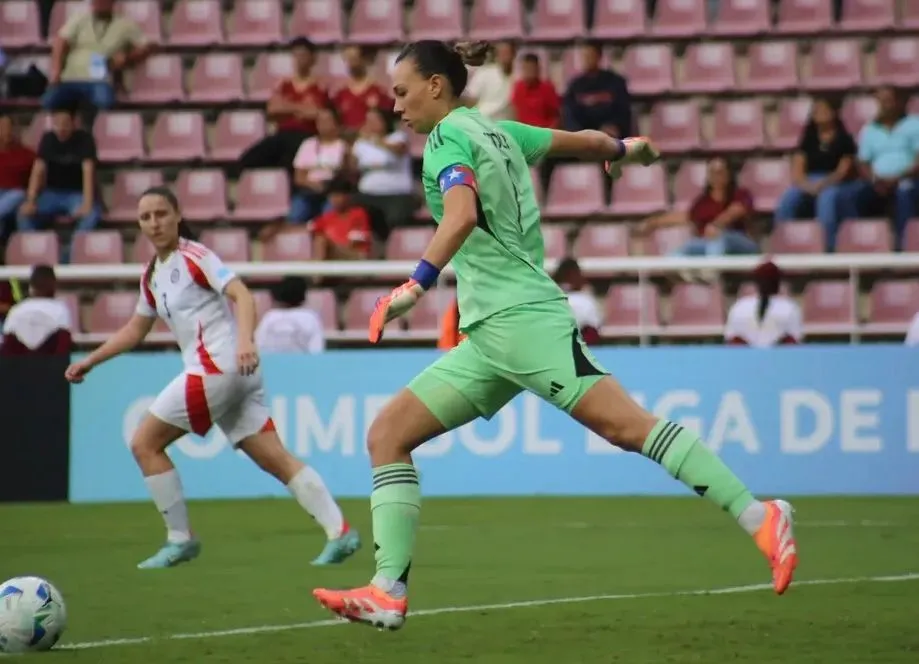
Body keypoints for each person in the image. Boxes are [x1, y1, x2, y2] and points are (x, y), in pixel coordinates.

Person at [311, 39, 798, 630]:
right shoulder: (502, 132)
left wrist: (413, 286)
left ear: (436, 86)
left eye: (402, 91)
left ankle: (760, 515)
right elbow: (587, 143)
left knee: (628, 427)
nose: (395, 105)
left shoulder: (446, 141)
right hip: (490, 338)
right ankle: (388, 590)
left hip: (523, 322)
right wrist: (628, 149)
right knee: (388, 434)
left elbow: (461, 215)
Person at [64, 186, 360, 569]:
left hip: (216, 368)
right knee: (275, 458)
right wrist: (92, 360)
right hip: (233, 375)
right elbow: (135, 330)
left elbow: (242, 294)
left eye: (161, 214)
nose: (154, 223)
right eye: (145, 217)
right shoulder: (152, 276)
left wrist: (246, 341)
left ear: (177, 215)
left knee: (144, 444)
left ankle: (180, 538)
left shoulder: (195, 256)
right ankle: (341, 532)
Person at [773, 96, 860, 252]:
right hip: (811, 180)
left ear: (834, 113)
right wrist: (808, 186)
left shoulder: (844, 140)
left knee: (827, 198)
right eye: (816, 111)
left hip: (836, 182)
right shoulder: (808, 139)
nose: (820, 113)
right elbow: (798, 172)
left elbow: (843, 171)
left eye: (824, 110)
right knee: (789, 197)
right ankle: (782, 243)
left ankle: (827, 246)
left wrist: (823, 184)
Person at [17, 105, 102, 262]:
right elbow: (38, 170)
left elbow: (88, 171)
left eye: (65, 123)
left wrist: (88, 203)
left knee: (92, 215)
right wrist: (31, 201)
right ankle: (41, 254)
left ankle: (68, 255)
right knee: (23, 215)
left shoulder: (85, 140)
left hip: (77, 195)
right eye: (57, 123)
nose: (61, 127)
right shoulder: (47, 139)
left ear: (74, 122)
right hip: (51, 193)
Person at [239, 37, 329, 174]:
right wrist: (299, 107)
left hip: (306, 136)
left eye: (303, 55)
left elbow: (316, 113)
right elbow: (272, 110)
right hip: (283, 134)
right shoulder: (283, 84)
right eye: (296, 55)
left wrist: (286, 107)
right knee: (249, 159)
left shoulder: (320, 86)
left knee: (290, 163)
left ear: (312, 58)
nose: (299, 59)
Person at [637, 158, 759, 257]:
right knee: (682, 251)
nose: (716, 176)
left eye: (720, 172)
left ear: (728, 174)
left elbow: (737, 210)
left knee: (718, 239)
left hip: (739, 241)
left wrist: (716, 225)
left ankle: (712, 275)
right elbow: (687, 217)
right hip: (708, 243)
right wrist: (653, 223)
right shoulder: (703, 202)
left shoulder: (741, 194)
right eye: (712, 172)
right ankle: (692, 276)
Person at [44, 0, 152, 112]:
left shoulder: (125, 24)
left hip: (99, 78)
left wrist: (127, 57)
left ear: (112, 3)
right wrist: (56, 69)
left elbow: (146, 47)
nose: (99, 4)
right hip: (71, 78)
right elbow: (60, 42)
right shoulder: (79, 19)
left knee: (105, 102)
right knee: (49, 102)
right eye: (96, 2)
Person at [854, 86, 919, 251]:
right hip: (877, 181)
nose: (885, 105)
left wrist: (898, 177)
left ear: (899, 102)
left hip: (908, 178)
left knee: (905, 191)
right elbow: (863, 162)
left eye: (889, 100)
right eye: (882, 101)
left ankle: (904, 245)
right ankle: (857, 246)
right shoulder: (869, 129)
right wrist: (875, 180)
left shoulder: (914, 124)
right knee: (852, 194)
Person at [350, 107, 416, 235]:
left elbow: (399, 151)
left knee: (396, 220)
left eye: (375, 120)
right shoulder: (361, 142)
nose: (371, 124)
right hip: (368, 194)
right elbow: (352, 166)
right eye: (368, 121)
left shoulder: (398, 137)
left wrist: (375, 140)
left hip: (396, 194)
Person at [289, 108, 348, 224]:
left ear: (336, 123)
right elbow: (299, 177)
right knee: (295, 213)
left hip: (333, 190)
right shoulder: (308, 144)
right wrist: (313, 185)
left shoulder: (343, 145)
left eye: (327, 121)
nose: (322, 124)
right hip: (309, 189)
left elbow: (346, 173)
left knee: (330, 213)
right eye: (320, 121)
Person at [724, 261, 803, 347]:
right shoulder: (740, 306)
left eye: (770, 279)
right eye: (763, 279)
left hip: (778, 356)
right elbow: (732, 338)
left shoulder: (790, 307)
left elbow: (793, 338)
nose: (766, 282)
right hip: (746, 356)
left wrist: (774, 352)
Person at [0, 265, 72, 356]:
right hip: (51, 368)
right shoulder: (62, 311)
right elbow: (63, 347)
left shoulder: (16, 310)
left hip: (18, 368)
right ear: (54, 286)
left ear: (31, 287)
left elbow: (6, 348)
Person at [255, 276, 325, 354]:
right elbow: (317, 350)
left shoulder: (270, 317)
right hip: (299, 364)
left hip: (275, 364)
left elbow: (259, 346)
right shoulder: (310, 318)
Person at [332, 46, 394, 133]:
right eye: (348, 60)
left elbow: (389, 121)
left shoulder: (378, 91)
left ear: (364, 60)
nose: (351, 64)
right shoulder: (341, 94)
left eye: (354, 59)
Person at [309, 178, 374, 261]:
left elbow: (356, 243)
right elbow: (310, 227)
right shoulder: (327, 217)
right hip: (332, 256)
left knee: (321, 242)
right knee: (320, 240)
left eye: (337, 195)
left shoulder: (358, 214)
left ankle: (316, 272)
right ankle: (315, 271)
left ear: (348, 196)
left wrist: (332, 245)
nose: (334, 200)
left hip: (355, 255)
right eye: (332, 196)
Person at [0, 113, 36, 236]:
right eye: (2, 127)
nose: (6, 131)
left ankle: (28, 250)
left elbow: (36, 181)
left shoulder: (28, 154)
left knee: (21, 204)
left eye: (10, 127)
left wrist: (31, 199)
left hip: (17, 195)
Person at [463, 40, 516, 121]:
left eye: (507, 53)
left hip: (508, 123)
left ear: (513, 55)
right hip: (485, 121)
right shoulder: (484, 73)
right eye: (501, 53)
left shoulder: (519, 77)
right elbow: (471, 99)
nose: (504, 56)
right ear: (496, 55)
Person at [554, 257, 601, 345]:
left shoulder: (586, 300)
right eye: (567, 274)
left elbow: (593, 332)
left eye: (572, 274)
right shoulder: (551, 298)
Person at [510, 53, 560, 129]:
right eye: (525, 68)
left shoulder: (548, 88)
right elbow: (515, 114)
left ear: (538, 69)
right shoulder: (518, 87)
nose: (528, 72)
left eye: (531, 68)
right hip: (524, 133)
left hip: (544, 132)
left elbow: (556, 116)